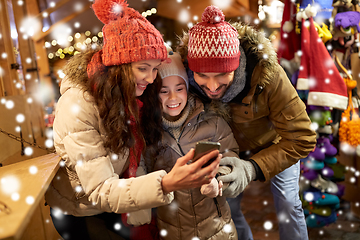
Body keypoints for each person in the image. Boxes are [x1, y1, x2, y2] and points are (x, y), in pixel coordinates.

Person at [45, 1, 221, 240]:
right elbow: (98, 189)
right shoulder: (79, 105)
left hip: (116, 201)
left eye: (156, 68)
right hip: (81, 210)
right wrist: (167, 183)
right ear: (119, 64)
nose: (150, 78)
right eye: (143, 68)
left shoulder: (130, 95)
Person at [176, 5, 317, 240]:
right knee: (227, 207)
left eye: (222, 74)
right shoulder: (184, 79)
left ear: (237, 64)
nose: (211, 87)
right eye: (203, 76)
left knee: (289, 203)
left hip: (277, 144)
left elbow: (302, 137)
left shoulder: (268, 74)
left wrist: (252, 168)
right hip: (228, 150)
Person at [146, 47, 240, 239]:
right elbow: (145, 174)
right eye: (164, 91)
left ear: (187, 89)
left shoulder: (213, 122)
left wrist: (218, 181)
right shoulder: (150, 133)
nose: (173, 98)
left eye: (179, 89)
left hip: (217, 228)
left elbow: (232, 158)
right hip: (174, 230)